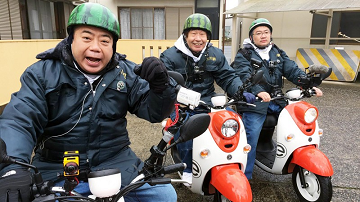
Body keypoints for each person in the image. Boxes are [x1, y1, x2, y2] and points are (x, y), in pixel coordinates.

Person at [0, 3, 178, 202]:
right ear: (71, 39)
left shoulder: (126, 73)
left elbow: (154, 112)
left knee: (164, 196)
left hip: (117, 162)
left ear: (113, 46)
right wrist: (14, 168)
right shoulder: (41, 74)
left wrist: (162, 86)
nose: (95, 47)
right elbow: (19, 120)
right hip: (56, 167)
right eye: (86, 37)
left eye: (105, 40)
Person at [160, 13, 255, 185]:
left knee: (233, 122)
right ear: (185, 35)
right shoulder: (170, 56)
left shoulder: (215, 54)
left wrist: (240, 91)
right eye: (194, 34)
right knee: (184, 128)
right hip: (181, 103)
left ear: (208, 37)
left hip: (208, 101)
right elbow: (166, 83)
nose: (198, 39)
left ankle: (229, 160)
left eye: (202, 34)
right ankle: (186, 167)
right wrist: (180, 94)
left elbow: (228, 76)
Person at [232, 18, 323, 180]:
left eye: (266, 32)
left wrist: (308, 84)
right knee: (250, 137)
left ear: (270, 34)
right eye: (258, 33)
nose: (263, 36)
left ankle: (297, 160)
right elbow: (243, 75)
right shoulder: (244, 54)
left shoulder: (277, 51)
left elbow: (292, 70)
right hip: (254, 102)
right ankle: (244, 176)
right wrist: (258, 91)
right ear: (252, 37)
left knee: (299, 124)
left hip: (277, 99)